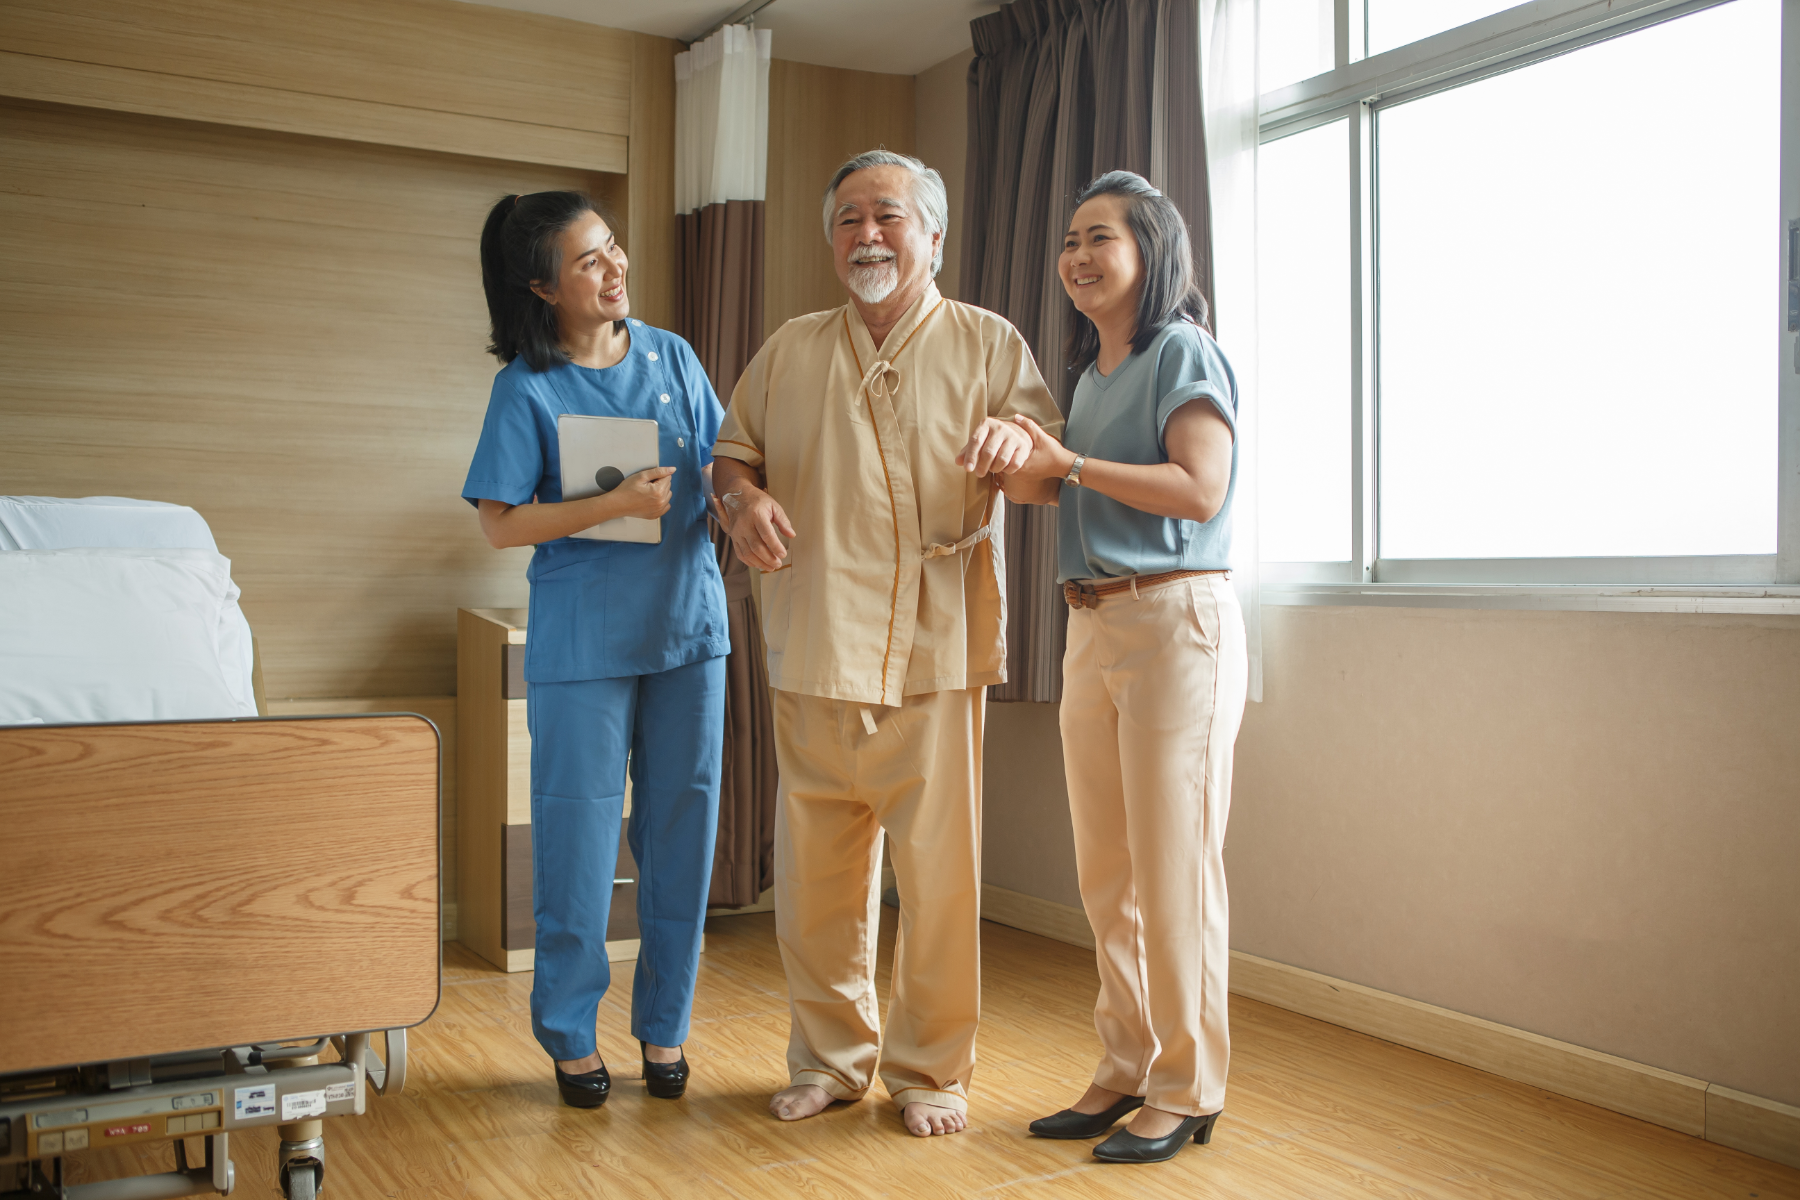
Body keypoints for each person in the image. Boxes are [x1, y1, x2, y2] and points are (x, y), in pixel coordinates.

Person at [710, 150, 1064, 1138]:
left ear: (933, 235)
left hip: (935, 647)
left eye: (889, 217)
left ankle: (932, 1070)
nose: (867, 235)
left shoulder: (990, 344)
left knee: (942, 880)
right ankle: (828, 1060)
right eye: (848, 220)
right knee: (818, 878)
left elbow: (1047, 472)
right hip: (815, 633)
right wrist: (739, 502)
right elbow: (732, 454)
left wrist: (1015, 449)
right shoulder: (789, 349)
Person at [999, 170, 1248, 1164]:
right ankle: (1128, 1061)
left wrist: (1068, 467)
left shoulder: (1182, 350)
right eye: (1069, 240)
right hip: (1094, 624)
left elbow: (1199, 488)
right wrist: (1027, 468)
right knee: (1109, 872)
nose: (1077, 256)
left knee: (1174, 868)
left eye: (1100, 237)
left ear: (1152, 252)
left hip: (1176, 622)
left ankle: (1188, 1087)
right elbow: (1074, 490)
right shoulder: (1093, 381)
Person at [462, 190, 729, 1109]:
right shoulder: (525, 389)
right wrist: (613, 505)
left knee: (681, 837)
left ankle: (665, 1026)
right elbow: (500, 525)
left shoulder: (673, 356)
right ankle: (571, 1035)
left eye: (613, 248)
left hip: (688, 631)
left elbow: (722, 465)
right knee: (576, 845)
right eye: (588, 261)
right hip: (582, 640)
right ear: (542, 288)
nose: (615, 268)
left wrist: (747, 498)